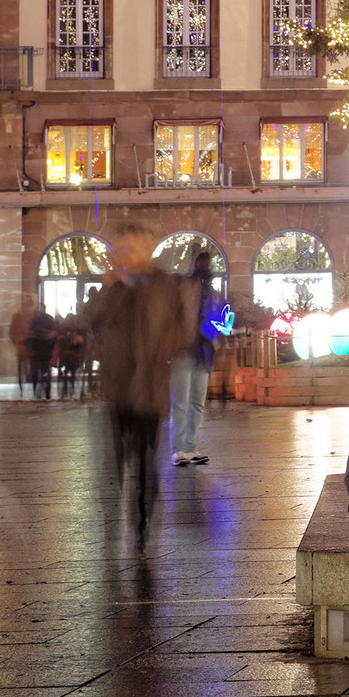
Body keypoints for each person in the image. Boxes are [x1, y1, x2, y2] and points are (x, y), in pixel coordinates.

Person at [89, 228, 187, 544]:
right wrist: (109, 285)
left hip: (149, 389)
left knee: (146, 458)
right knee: (118, 458)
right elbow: (87, 319)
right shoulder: (112, 288)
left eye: (129, 249)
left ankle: (142, 515)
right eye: (119, 250)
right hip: (118, 389)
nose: (122, 256)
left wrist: (167, 349)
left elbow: (179, 329)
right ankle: (116, 513)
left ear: (144, 252)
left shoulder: (162, 285)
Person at [171, 249, 220, 467]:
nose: (206, 266)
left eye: (208, 262)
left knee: (197, 402)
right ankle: (179, 449)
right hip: (185, 350)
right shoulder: (186, 287)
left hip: (203, 351)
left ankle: (189, 447)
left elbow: (216, 318)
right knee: (181, 401)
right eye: (203, 262)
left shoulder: (211, 290)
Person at [9, 298, 31, 395]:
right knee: (23, 364)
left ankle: (23, 384)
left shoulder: (27, 316)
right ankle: (22, 384)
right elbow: (12, 331)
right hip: (22, 345)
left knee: (24, 365)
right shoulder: (20, 316)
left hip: (24, 345)